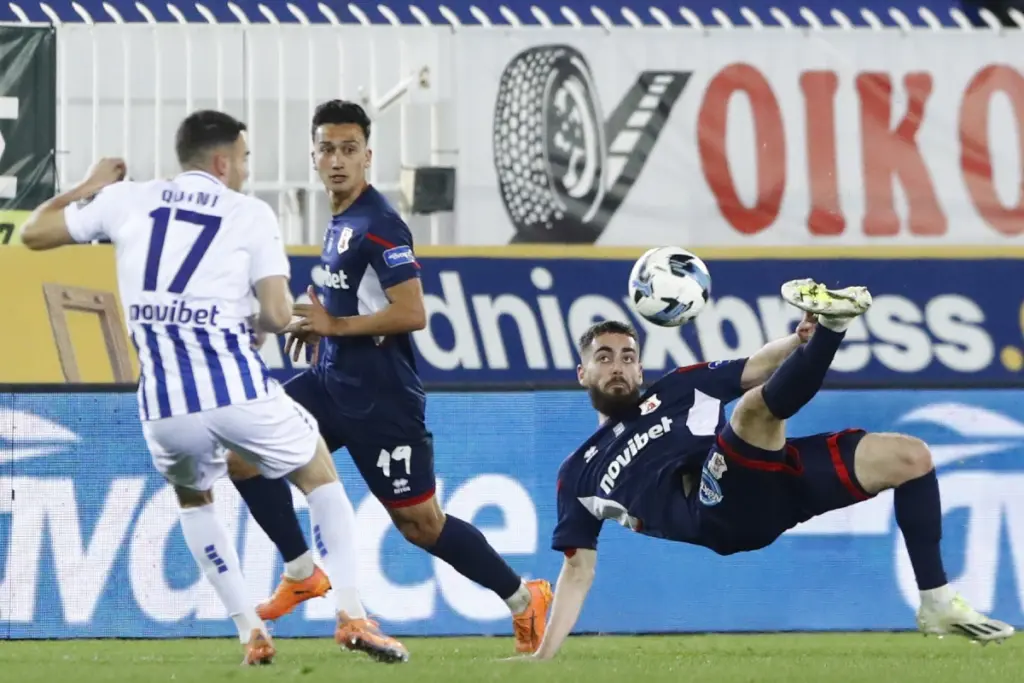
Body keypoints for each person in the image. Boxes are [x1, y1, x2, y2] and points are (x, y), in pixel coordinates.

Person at [19, 110, 397, 665]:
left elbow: (33, 233)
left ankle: (250, 631)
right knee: (316, 468)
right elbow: (275, 315)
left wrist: (88, 185)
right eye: (244, 159)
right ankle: (352, 613)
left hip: (164, 406)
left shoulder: (128, 200)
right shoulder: (249, 213)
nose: (246, 169)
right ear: (222, 162)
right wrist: (252, 317)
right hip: (233, 387)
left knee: (194, 501)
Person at [528, 279, 1014, 660]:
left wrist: (797, 339)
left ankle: (936, 601)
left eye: (628, 357)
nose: (617, 366)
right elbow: (577, 571)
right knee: (751, 412)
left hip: (770, 481)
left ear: (640, 370)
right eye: (604, 357)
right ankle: (835, 328)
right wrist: (543, 657)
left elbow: (757, 366)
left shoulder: (676, 388)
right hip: (713, 507)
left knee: (911, 458)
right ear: (583, 373)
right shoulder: (579, 472)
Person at [224, 99, 552, 656]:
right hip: (330, 384)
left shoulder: (379, 224)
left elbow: (412, 312)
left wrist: (335, 325)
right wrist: (320, 325)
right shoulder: (340, 221)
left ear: (367, 156)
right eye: (327, 149)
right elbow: (351, 297)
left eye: (349, 149)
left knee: (421, 525)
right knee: (242, 455)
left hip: (382, 401)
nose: (337, 160)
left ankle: (525, 598)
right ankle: (301, 570)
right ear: (313, 155)